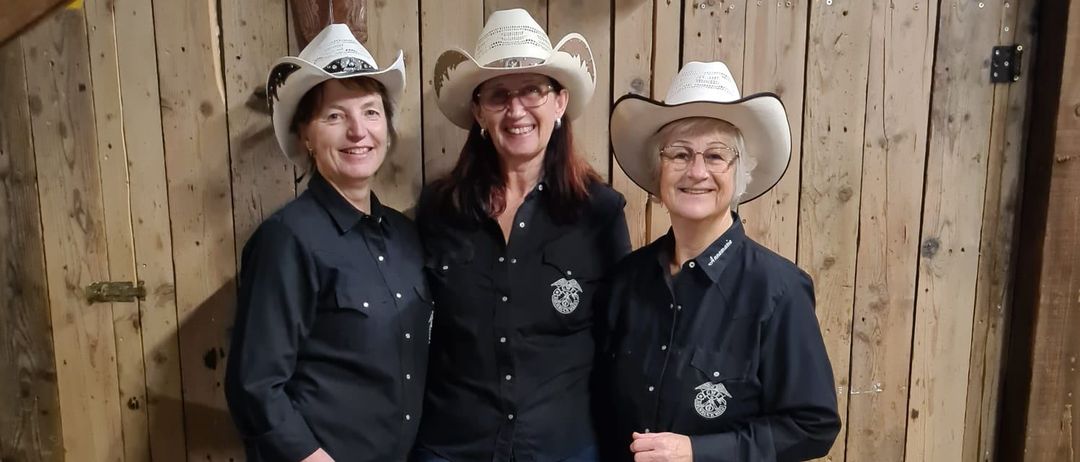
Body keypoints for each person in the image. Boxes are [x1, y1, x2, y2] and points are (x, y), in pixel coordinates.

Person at [412, 9, 631, 462]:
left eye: (532, 89)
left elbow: (619, 345)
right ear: (478, 111)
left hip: (564, 449)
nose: (516, 110)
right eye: (498, 95)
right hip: (453, 448)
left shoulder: (600, 213)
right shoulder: (438, 210)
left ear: (559, 102)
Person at [602, 61, 841, 461]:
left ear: (740, 172)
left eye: (716, 155)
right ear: (658, 169)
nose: (696, 171)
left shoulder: (779, 290)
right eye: (679, 154)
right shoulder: (626, 281)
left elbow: (812, 426)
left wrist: (699, 452)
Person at [224, 24, 431, 462]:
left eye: (371, 112)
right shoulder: (287, 240)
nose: (358, 131)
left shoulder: (405, 236)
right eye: (335, 116)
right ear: (306, 137)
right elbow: (255, 386)